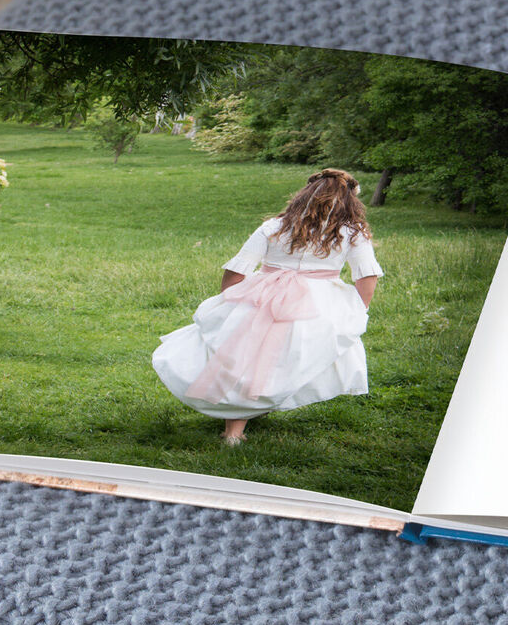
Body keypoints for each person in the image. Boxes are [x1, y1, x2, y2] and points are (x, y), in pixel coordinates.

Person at [152, 169, 382, 444]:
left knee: (244, 357)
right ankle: (251, 411)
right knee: (291, 356)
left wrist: (230, 300)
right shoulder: (352, 233)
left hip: (262, 294)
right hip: (319, 301)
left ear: (303, 196)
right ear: (350, 202)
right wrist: (360, 309)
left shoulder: (274, 226)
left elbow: (238, 268)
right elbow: (366, 274)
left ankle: (234, 431)